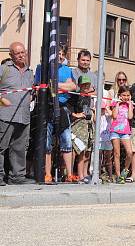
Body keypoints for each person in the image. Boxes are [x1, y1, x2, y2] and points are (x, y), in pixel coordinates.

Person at [35, 46, 77, 183]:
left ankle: (69, 174)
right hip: (47, 107)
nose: (58, 56)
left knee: (66, 141)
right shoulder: (41, 68)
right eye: (55, 53)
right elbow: (40, 85)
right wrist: (62, 85)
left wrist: (55, 84)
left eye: (60, 53)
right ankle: (47, 174)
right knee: (47, 143)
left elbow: (72, 87)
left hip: (62, 107)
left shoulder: (66, 70)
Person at [0, 42, 35, 186]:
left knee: (20, 147)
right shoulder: (4, 69)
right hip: (5, 115)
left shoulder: (29, 72)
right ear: (11, 55)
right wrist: (2, 100)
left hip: (24, 116)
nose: (21, 55)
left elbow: (31, 91)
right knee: (1, 147)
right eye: (17, 53)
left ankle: (17, 177)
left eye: (23, 52)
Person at [68, 75, 95, 183]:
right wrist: (76, 114)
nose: (86, 87)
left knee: (87, 151)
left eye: (87, 84)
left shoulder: (88, 96)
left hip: (88, 125)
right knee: (78, 150)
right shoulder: (75, 95)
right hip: (78, 125)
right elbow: (68, 108)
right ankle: (74, 174)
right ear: (79, 85)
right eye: (83, 85)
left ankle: (83, 174)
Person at [110, 85, 134, 183]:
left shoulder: (130, 104)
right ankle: (118, 175)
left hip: (125, 131)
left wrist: (129, 105)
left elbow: (130, 116)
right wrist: (117, 104)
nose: (126, 97)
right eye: (124, 95)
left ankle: (125, 170)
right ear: (120, 95)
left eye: (128, 95)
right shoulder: (115, 103)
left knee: (129, 152)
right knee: (117, 154)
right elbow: (114, 116)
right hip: (115, 131)